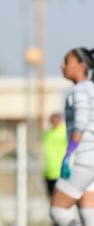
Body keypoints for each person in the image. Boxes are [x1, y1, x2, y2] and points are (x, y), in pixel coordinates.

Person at [50, 47, 94, 226]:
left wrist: (70, 153)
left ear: (81, 66)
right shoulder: (91, 88)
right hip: (91, 161)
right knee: (88, 214)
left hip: (82, 160)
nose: (62, 65)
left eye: (67, 61)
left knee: (58, 211)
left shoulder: (81, 90)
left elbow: (81, 123)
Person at [42, 112, 67, 198]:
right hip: (49, 172)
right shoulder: (47, 134)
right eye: (52, 121)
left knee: (60, 201)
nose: (54, 122)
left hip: (62, 172)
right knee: (51, 200)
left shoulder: (65, 132)